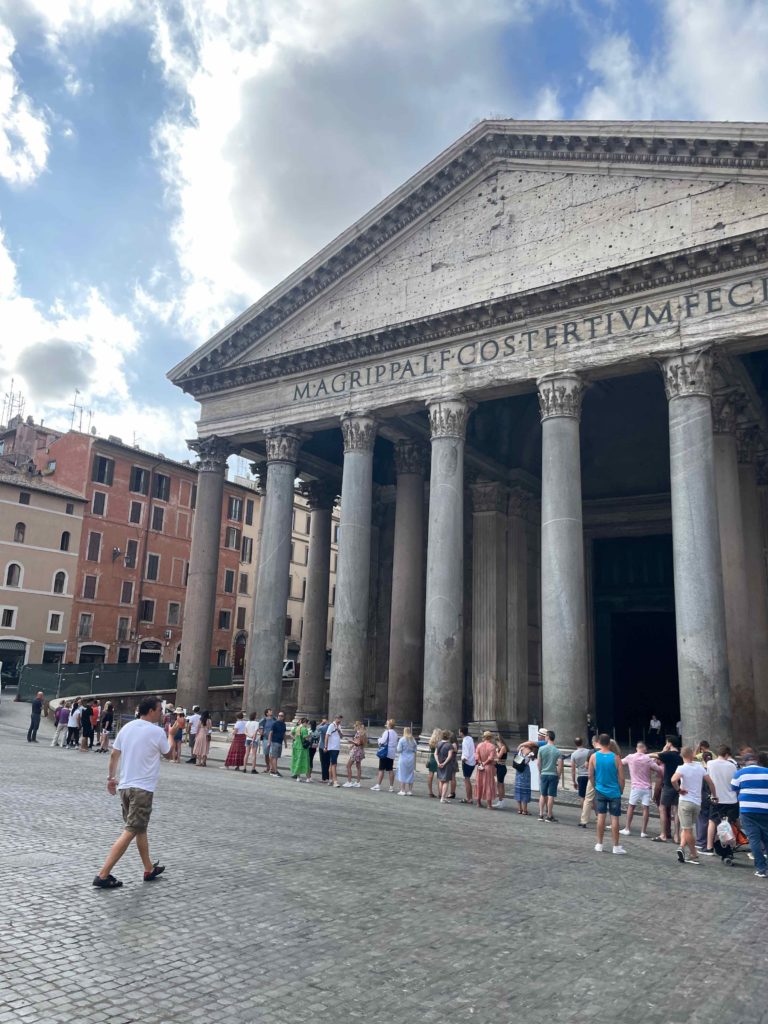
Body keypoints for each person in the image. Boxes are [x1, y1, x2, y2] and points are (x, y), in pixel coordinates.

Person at [93, 695, 171, 889]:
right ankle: (103, 874)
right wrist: (173, 732)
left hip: (125, 787)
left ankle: (148, 868)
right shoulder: (157, 731)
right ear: (151, 710)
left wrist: (111, 778)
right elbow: (169, 753)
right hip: (142, 789)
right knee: (130, 830)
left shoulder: (127, 728)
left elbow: (114, 754)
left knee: (139, 828)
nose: (161, 713)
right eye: (160, 710)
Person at [671, 746, 716, 866]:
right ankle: (681, 847)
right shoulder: (699, 767)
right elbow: (710, 783)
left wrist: (679, 790)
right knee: (687, 827)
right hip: (697, 803)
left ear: (682, 756)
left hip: (685, 801)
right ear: (692, 755)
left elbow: (673, 780)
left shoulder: (682, 768)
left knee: (687, 829)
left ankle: (694, 853)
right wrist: (714, 795)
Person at [730, 749, 768, 878]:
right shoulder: (767, 772)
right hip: (765, 809)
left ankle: (761, 869)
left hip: (747, 810)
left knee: (754, 839)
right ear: (757, 761)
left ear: (745, 762)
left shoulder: (740, 773)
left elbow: (733, 788)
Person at [590, 733, 627, 855]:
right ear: (609, 743)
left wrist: (595, 785)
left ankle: (599, 844)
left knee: (601, 816)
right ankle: (616, 846)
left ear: (599, 743)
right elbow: (622, 778)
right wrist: (621, 789)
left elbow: (590, 775)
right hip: (614, 791)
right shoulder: (616, 758)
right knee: (614, 818)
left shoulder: (594, 757)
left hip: (600, 790)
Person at [620, 741, 663, 838]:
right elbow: (658, 769)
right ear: (645, 749)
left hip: (635, 787)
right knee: (645, 808)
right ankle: (643, 831)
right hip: (647, 787)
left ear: (637, 748)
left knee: (631, 806)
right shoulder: (648, 759)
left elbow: (620, 763)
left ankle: (627, 828)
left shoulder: (630, 757)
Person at [702, 745, 739, 856]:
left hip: (716, 798)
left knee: (712, 822)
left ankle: (709, 847)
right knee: (730, 822)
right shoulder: (732, 766)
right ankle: (732, 844)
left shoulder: (710, 764)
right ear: (727, 754)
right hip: (731, 798)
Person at [651, 738, 683, 844]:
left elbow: (653, 755)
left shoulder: (668, 754)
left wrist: (664, 750)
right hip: (678, 785)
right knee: (676, 810)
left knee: (662, 808)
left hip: (669, 785)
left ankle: (663, 834)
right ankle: (676, 836)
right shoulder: (679, 756)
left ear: (669, 743)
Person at [537, 730, 563, 822]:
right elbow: (560, 766)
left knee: (542, 794)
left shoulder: (541, 749)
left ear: (547, 737)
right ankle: (549, 815)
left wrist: (540, 772)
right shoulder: (557, 751)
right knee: (551, 795)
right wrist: (558, 776)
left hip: (544, 773)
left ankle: (540, 814)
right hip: (553, 774)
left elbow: (538, 763)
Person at [371, 719, 398, 792]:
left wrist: (379, 740)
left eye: (387, 723)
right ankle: (391, 787)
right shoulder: (395, 733)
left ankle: (378, 785)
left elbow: (382, 741)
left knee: (381, 769)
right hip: (392, 753)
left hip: (385, 752)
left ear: (388, 725)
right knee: (390, 769)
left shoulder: (387, 732)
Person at [474, 731, 497, 810]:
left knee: (479, 783)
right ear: (490, 737)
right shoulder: (492, 746)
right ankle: (489, 804)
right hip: (488, 767)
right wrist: (484, 763)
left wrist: (480, 762)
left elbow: (476, 756)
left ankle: (478, 802)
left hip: (480, 767)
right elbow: (491, 758)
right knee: (488, 785)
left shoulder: (479, 745)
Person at [514, 741, 536, 815]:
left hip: (518, 771)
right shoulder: (529, 752)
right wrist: (528, 756)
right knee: (525, 790)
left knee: (518, 788)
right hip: (525, 771)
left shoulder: (520, 749)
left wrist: (521, 746)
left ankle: (519, 809)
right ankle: (525, 810)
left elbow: (517, 760)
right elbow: (527, 761)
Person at [343, 721, 367, 787]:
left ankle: (349, 781)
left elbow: (358, 743)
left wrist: (350, 741)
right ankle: (358, 782)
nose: (354, 728)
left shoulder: (359, 733)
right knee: (358, 766)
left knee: (348, 765)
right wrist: (352, 745)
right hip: (360, 750)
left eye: (354, 726)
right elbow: (360, 743)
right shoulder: (363, 733)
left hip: (356, 751)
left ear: (357, 726)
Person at [395, 727, 418, 795]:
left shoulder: (402, 739)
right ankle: (410, 790)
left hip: (403, 758)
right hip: (411, 758)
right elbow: (415, 750)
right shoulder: (413, 740)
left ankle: (403, 790)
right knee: (410, 774)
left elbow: (399, 750)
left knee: (402, 773)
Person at [436, 730, 457, 803]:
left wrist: (438, 762)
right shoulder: (449, 745)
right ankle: (443, 797)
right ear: (448, 736)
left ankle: (441, 796)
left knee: (441, 780)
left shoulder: (438, 743)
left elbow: (435, 754)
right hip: (447, 765)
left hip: (439, 764)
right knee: (446, 781)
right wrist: (444, 763)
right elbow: (450, 756)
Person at [324, 715, 343, 787]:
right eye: (338, 719)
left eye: (340, 719)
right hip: (332, 747)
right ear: (335, 719)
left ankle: (330, 779)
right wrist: (326, 746)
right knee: (334, 764)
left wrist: (339, 731)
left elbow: (341, 736)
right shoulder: (332, 725)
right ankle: (335, 781)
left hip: (337, 747)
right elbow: (326, 736)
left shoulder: (339, 726)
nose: (339, 720)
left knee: (332, 764)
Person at [290, 717, 311, 782]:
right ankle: (308, 778)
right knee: (305, 762)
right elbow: (305, 738)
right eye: (307, 723)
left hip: (296, 747)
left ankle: (298, 777)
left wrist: (295, 739)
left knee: (297, 762)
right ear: (305, 723)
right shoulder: (304, 729)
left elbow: (290, 733)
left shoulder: (296, 728)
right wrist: (309, 735)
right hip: (303, 748)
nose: (307, 725)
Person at [458, 727, 476, 805]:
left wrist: (463, 761)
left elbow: (465, 754)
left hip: (467, 762)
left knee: (467, 780)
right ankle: (469, 797)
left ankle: (469, 798)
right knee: (467, 780)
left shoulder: (464, 741)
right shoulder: (470, 739)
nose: (459, 733)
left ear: (462, 733)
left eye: (459, 731)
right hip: (473, 761)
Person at [267, 711, 287, 776]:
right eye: (279, 715)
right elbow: (270, 733)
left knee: (276, 757)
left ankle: (273, 770)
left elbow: (284, 734)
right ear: (278, 716)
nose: (280, 717)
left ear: (283, 717)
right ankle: (275, 771)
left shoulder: (284, 724)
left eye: (282, 716)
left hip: (280, 742)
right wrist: (269, 742)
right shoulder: (275, 723)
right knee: (274, 757)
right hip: (274, 742)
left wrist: (285, 743)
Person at [570, 737, 591, 802]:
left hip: (581, 776)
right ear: (582, 742)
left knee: (582, 796)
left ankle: (583, 811)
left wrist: (574, 781)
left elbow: (573, 770)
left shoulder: (574, 754)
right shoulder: (589, 752)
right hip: (590, 776)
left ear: (575, 744)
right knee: (591, 796)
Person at [426, 728, 441, 799]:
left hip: (432, 758)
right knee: (439, 776)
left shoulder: (431, 741)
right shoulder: (440, 742)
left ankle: (430, 792)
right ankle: (440, 793)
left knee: (430, 775)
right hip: (438, 759)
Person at [494, 735, 508, 808]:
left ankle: (501, 801)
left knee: (500, 784)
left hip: (501, 767)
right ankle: (502, 800)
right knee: (500, 784)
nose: (497, 744)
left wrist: (496, 751)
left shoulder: (503, 747)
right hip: (499, 767)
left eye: (497, 742)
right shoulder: (501, 748)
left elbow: (499, 757)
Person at [316, 717, 330, 783]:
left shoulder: (323, 727)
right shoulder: (331, 727)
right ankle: (327, 777)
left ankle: (324, 778)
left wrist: (322, 723)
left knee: (323, 763)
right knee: (328, 763)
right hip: (329, 746)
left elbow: (317, 728)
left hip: (322, 746)